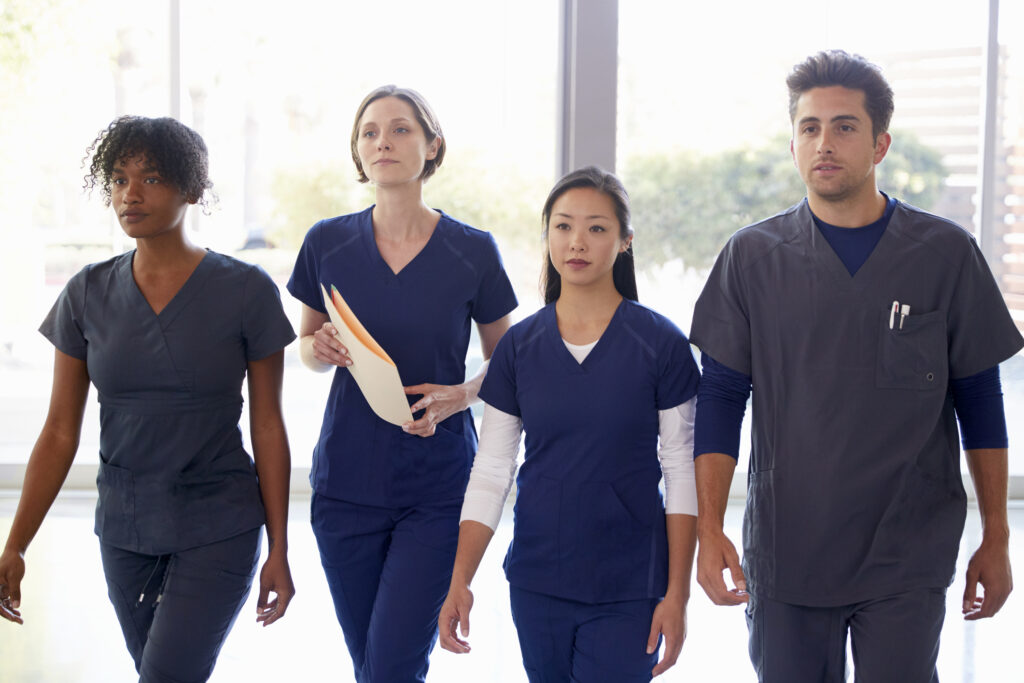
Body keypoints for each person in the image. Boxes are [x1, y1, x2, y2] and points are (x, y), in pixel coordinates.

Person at [690, 50, 1024, 682]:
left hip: (908, 548)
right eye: (810, 127)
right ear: (792, 145)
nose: (825, 142)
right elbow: (720, 398)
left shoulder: (944, 254)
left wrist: (998, 537)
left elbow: (980, 402)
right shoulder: (752, 258)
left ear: (880, 144)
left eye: (845, 126)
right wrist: (710, 530)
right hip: (790, 549)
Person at [0, 116, 296, 682]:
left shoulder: (245, 291)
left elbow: (269, 428)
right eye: (117, 179)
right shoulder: (86, 292)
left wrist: (280, 546)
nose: (129, 194)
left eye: (151, 178)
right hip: (126, 528)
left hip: (220, 523)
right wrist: (16, 543)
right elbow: (60, 431)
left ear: (191, 190)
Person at [287, 84, 517, 682]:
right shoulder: (327, 242)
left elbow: (510, 361)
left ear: (432, 145)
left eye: (400, 129)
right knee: (371, 662)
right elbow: (306, 346)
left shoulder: (473, 251)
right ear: (358, 153)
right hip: (345, 484)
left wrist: (464, 394)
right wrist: (320, 347)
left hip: (438, 488)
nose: (382, 141)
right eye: (369, 132)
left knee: (392, 665)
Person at [438, 166, 700, 682]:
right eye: (562, 226)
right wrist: (460, 578)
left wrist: (678, 594)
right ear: (548, 237)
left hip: (632, 582)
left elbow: (681, 472)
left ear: (625, 242)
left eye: (597, 228)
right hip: (539, 579)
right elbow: (492, 469)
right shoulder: (519, 347)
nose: (577, 241)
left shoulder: (660, 344)